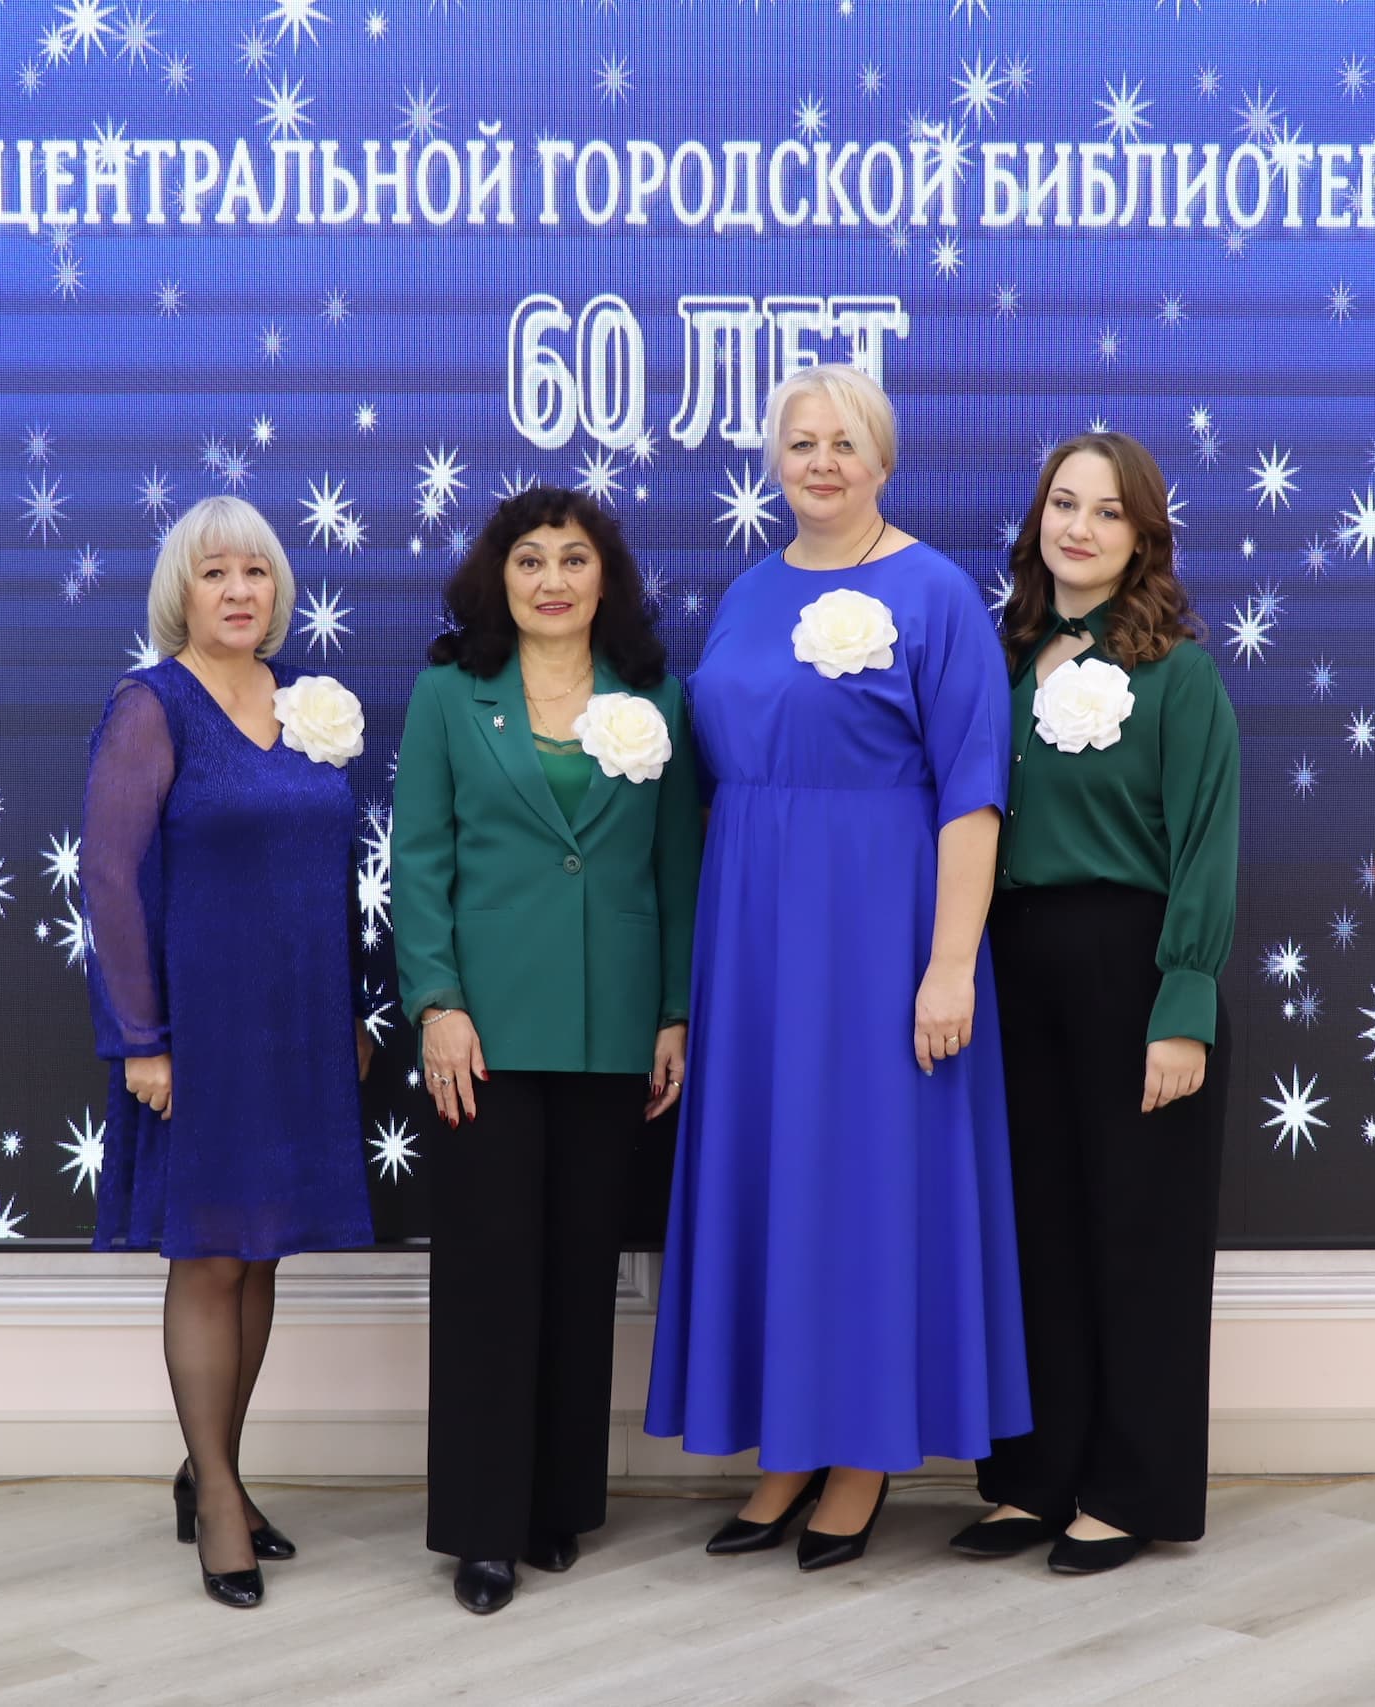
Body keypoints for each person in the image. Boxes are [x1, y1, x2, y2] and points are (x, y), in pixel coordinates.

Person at [644, 363, 1031, 1570]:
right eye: (801, 441)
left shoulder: (936, 593)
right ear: (774, 460)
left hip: (878, 928)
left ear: (883, 460)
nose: (821, 461)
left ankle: (861, 1454)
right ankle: (789, 1451)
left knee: (865, 1181)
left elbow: (973, 794)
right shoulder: (748, 592)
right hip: (754, 934)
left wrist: (949, 964)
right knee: (780, 1178)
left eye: (844, 441)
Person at [392, 486, 703, 1615]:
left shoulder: (655, 695)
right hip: (482, 1030)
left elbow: (678, 865)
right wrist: (436, 1001)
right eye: (530, 560)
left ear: (604, 576)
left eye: (574, 558)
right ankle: (483, 1529)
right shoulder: (448, 692)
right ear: (499, 577)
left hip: (613, 1029)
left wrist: (673, 1012)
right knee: (488, 1277)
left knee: (579, 1274)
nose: (553, 579)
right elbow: (419, 859)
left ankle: (555, 1502)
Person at [949, 431, 1240, 1576]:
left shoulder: (1179, 675)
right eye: (1062, 504)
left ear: (1143, 535)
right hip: (1012, 969)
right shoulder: (998, 659)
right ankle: (1033, 1478)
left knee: (1137, 1237)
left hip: (1135, 968)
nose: (1078, 527)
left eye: (1107, 511)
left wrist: (1184, 1002)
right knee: (1034, 1237)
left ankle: (1128, 1489)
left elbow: (1207, 843)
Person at [80, 494, 378, 1609]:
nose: (239, 591)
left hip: (297, 1030)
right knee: (208, 1256)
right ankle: (215, 1498)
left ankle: (217, 1468)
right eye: (215, 574)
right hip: (197, 1037)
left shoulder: (307, 703)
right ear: (183, 594)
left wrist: (348, 1014)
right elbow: (110, 879)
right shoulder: (150, 705)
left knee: (259, 1258)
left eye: (254, 572)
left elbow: (335, 874)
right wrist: (141, 1041)